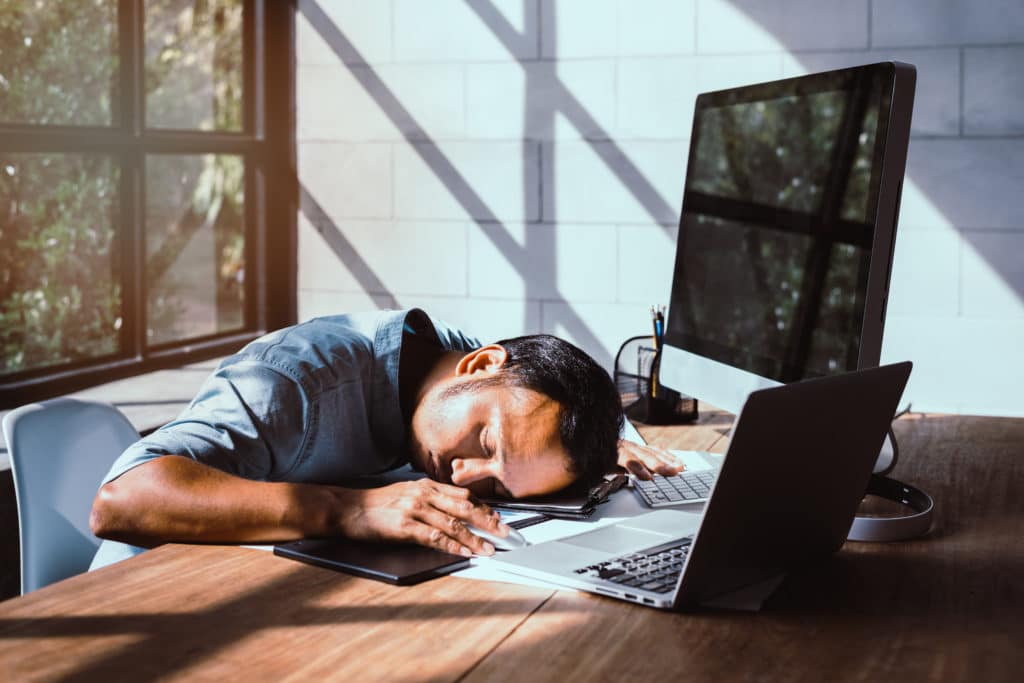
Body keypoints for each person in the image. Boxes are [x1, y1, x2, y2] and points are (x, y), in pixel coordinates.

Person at [90, 308, 683, 569]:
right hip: (149, 604)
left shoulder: (454, 366)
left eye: (500, 484)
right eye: (484, 443)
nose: (465, 476)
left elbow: (546, 386)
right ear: (479, 365)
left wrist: (610, 439)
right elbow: (121, 498)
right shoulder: (294, 382)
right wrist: (346, 509)